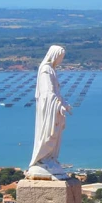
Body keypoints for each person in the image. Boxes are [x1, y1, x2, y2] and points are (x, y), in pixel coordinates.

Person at [27, 45, 72, 179]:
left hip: (54, 108)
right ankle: (42, 160)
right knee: (48, 133)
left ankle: (50, 158)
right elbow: (48, 93)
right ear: (54, 56)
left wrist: (64, 104)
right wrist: (58, 105)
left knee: (55, 134)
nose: (61, 60)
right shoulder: (46, 70)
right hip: (48, 109)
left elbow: (56, 92)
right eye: (60, 57)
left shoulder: (51, 69)